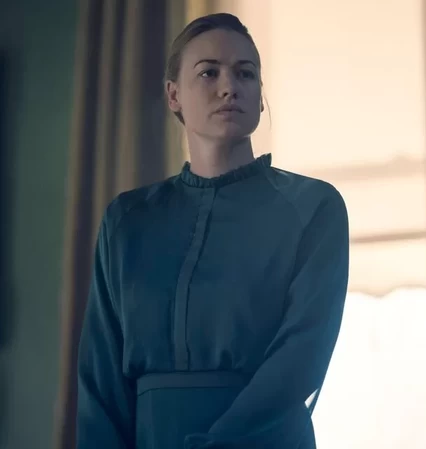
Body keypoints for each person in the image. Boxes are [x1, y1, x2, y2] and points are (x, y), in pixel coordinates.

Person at [76, 12, 349, 449]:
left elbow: (302, 355)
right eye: (209, 72)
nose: (229, 87)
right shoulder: (126, 221)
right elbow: (100, 379)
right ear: (173, 95)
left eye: (246, 73)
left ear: (261, 96)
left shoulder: (313, 207)